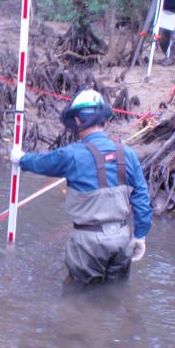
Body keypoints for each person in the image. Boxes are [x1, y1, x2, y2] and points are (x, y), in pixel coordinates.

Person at [11, 90, 152, 284]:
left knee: (79, 297)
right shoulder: (128, 154)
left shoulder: (73, 155)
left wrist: (21, 158)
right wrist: (141, 235)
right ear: (105, 121)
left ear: (77, 120)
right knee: (114, 293)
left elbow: (41, 162)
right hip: (122, 238)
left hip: (88, 242)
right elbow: (142, 196)